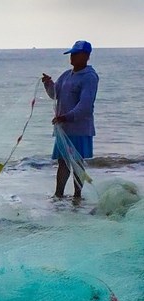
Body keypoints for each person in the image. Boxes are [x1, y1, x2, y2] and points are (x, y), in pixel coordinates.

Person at [41, 40, 99, 204]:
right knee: (62, 162)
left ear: (86, 56)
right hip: (63, 128)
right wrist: (48, 84)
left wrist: (66, 116)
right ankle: (58, 195)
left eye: (75, 54)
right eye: (71, 54)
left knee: (77, 163)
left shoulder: (89, 77)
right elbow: (55, 94)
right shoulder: (67, 75)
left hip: (79, 128)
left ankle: (77, 196)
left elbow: (85, 106)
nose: (72, 57)